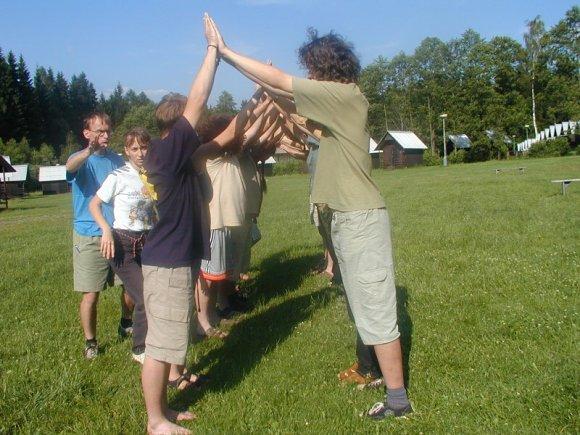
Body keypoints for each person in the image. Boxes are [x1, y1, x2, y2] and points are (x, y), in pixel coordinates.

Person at [207, 17, 413, 419]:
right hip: (345, 217)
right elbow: (288, 102)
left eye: (311, 69)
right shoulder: (337, 104)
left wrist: (227, 53)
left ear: (324, 68)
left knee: (375, 305)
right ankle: (373, 371)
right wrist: (265, 87)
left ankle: (398, 401)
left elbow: (283, 82)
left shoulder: (345, 96)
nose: (308, 75)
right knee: (361, 301)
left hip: (358, 218)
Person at [139, 14, 272, 434]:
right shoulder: (168, 153)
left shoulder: (183, 156)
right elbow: (197, 100)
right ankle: (155, 421)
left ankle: (166, 406)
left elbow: (228, 136)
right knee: (160, 346)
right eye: (190, 123)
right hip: (166, 263)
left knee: (171, 340)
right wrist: (213, 51)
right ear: (178, 125)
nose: (196, 125)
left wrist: (258, 97)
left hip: (177, 259)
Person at [66, 112, 134, 359]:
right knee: (91, 294)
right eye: (99, 131)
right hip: (90, 235)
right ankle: (91, 342)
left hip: (119, 232)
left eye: (108, 131)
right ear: (87, 133)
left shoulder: (117, 160)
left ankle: (126, 322)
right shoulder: (80, 159)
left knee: (130, 286)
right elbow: (70, 167)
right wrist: (89, 151)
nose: (105, 135)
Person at [89, 128, 156, 364]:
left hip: (148, 242)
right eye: (135, 148)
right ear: (127, 151)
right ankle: (139, 348)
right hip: (122, 245)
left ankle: (153, 338)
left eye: (144, 147)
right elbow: (94, 205)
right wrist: (106, 230)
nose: (140, 153)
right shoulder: (118, 176)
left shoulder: (153, 174)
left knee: (153, 293)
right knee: (144, 295)